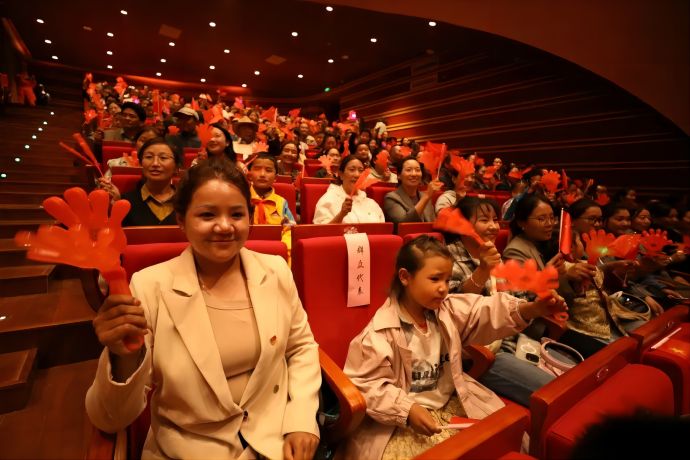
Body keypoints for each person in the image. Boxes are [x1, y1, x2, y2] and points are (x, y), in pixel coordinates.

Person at [86, 157, 321, 459]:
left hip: (274, 440)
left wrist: (301, 419)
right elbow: (111, 418)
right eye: (207, 214)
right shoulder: (149, 286)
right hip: (187, 447)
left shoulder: (275, 270)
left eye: (237, 214)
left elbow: (300, 347)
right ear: (181, 220)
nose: (224, 226)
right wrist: (123, 358)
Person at [342, 235, 566, 459]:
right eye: (435, 279)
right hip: (402, 418)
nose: (443, 288)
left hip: (450, 400)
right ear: (405, 277)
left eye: (447, 280)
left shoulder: (446, 310)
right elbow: (367, 384)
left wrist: (532, 309)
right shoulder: (380, 332)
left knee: (504, 439)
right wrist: (406, 409)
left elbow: (483, 311)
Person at [444, 197, 555, 406]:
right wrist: (483, 270)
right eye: (484, 220)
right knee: (554, 393)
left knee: (572, 376)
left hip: (515, 340)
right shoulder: (446, 259)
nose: (494, 227)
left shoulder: (493, 255)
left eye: (495, 220)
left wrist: (542, 297)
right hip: (483, 353)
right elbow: (453, 311)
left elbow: (518, 299)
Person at [100, 138, 181, 226]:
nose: (155, 163)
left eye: (163, 158)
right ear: (141, 163)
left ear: (176, 167)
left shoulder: (186, 201)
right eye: (149, 157)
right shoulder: (125, 201)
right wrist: (114, 207)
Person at [313, 155, 385, 224]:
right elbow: (321, 230)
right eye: (352, 170)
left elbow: (381, 229)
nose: (357, 175)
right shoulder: (328, 199)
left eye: (360, 170)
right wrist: (341, 214)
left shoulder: (371, 203)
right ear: (341, 174)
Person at [384, 157, 441, 225]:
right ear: (399, 175)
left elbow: (433, 223)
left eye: (417, 170)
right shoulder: (391, 198)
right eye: (408, 170)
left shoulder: (424, 197)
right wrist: (426, 197)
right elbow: (404, 224)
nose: (414, 174)